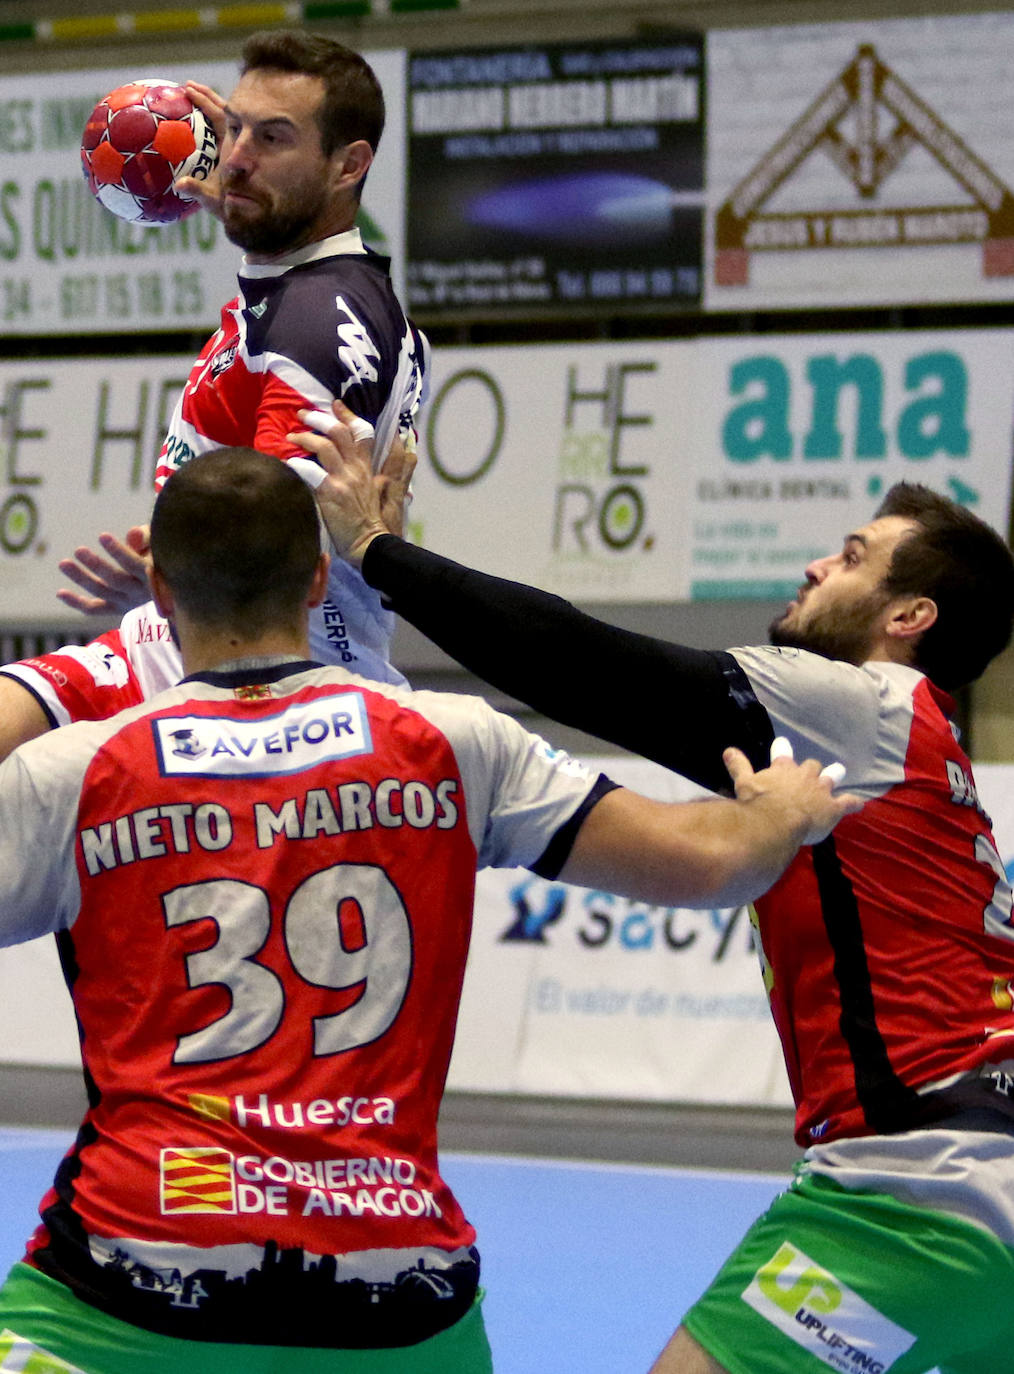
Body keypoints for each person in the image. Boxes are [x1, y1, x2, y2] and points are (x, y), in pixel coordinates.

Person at [0, 446, 857, 1374]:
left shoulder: (80, 771)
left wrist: (68, 680)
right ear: (320, 575)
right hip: (396, 1294)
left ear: (158, 593)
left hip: (134, 1279)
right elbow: (709, 865)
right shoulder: (450, 742)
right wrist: (782, 812)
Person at [299, 401, 1014, 1374]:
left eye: (851, 557)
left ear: (907, 619)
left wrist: (377, 552)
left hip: (918, 1190)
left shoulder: (861, 703)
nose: (816, 567)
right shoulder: (933, 759)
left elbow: (590, 667)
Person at [0, 29, 425, 761]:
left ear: (348, 165)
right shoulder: (301, 291)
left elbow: (264, 538)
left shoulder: (313, 323)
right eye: (232, 128)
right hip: (198, 643)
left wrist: (171, 569)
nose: (234, 158)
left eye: (273, 138)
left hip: (275, 688)